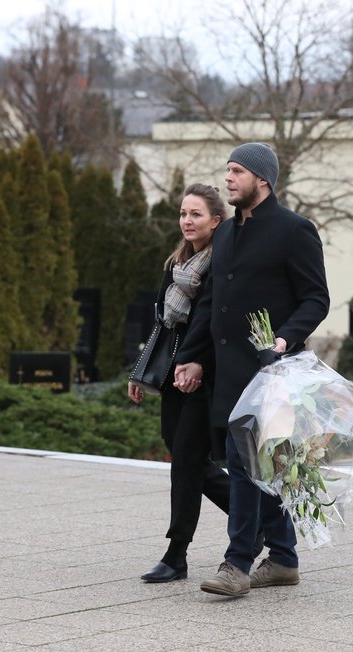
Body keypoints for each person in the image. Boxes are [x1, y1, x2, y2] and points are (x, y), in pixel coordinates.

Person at [173, 142, 330, 597]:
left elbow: (316, 298)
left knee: (245, 465)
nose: (228, 179)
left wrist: (284, 338)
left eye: (237, 171)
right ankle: (282, 557)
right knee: (265, 469)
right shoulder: (224, 235)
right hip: (227, 373)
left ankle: (236, 564)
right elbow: (211, 305)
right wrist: (196, 356)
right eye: (227, 170)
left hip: (272, 372)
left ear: (262, 178)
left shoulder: (295, 230)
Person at [128, 183, 229, 583]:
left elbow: (218, 325)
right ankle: (259, 519)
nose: (187, 221)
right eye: (184, 214)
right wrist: (140, 372)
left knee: (187, 457)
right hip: (172, 373)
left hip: (206, 377)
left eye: (196, 214)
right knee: (184, 454)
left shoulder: (221, 263)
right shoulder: (176, 264)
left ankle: (176, 554)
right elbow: (161, 325)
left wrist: (199, 363)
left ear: (216, 221)